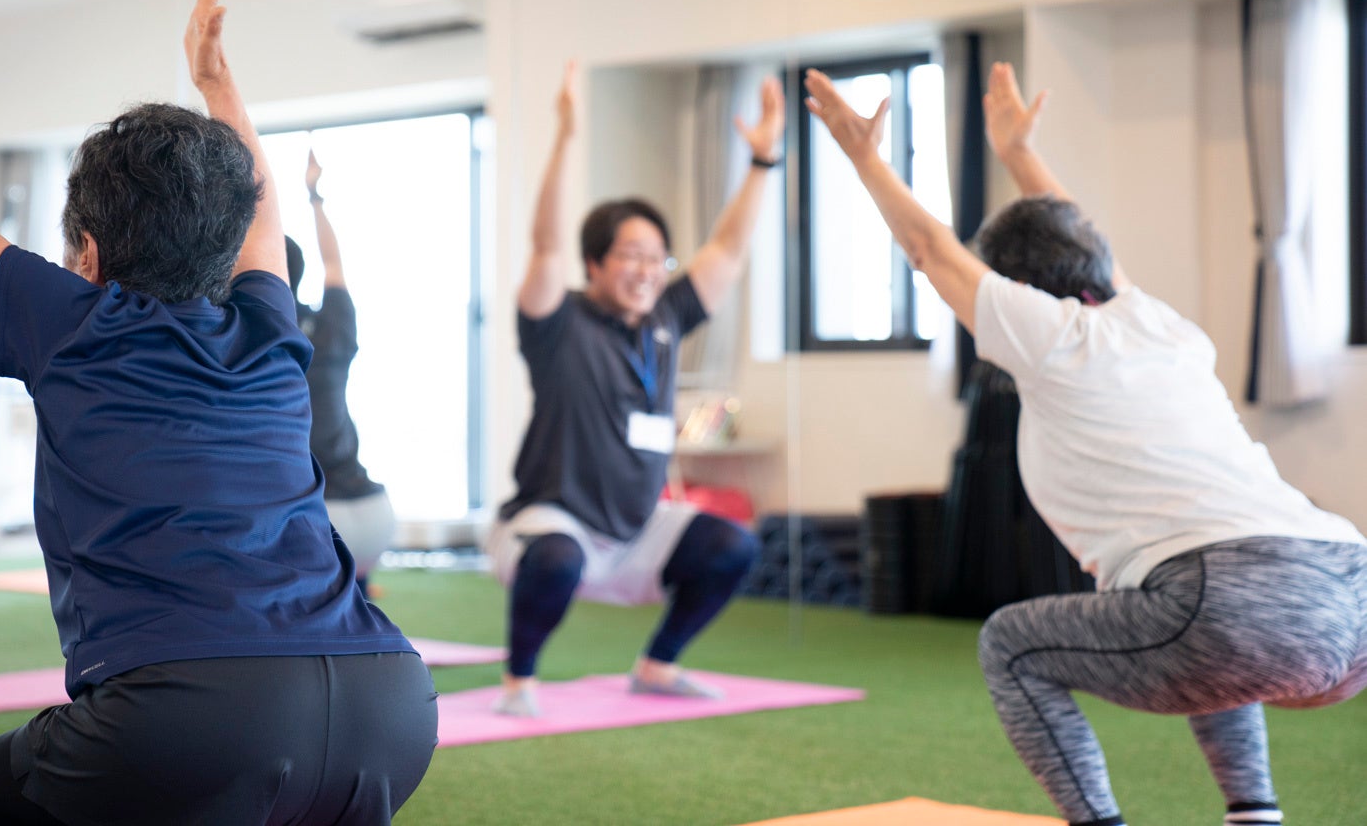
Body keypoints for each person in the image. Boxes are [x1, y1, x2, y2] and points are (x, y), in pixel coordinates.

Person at [0, 0, 437, 826]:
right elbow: (264, 209)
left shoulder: (76, 322)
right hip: (388, 704)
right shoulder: (266, 329)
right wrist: (218, 84)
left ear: (87, 254)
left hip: (192, 715)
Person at [803, 61, 1367, 826]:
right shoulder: (1157, 322)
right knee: (1196, 625)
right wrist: (1018, 156)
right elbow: (1081, 240)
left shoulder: (1049, 335)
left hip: (1233, 604)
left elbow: (934, 252)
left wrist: (865, 158)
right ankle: (1254, 815)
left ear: (1022, 294)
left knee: (1010, 644)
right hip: (1346, 590)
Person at [486, 62, 777, 716]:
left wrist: (762, 163)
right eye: (630, 256)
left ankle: (657, 666)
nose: (647, 271)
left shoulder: (668, 318)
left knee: (733, 544)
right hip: (552, 525)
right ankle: (518, 682)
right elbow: (543, 242)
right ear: (594, 263)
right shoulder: (556, 322)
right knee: (557, 559)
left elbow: (728, 250)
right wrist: (565, 138)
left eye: (657, 258)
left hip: (637, 529)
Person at [286, 150, 395, 600]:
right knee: (354, 603)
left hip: (320, 518)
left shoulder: (250, 336)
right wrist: (315, 197)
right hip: (375, 513)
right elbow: (334, 264)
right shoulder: (332, 324)